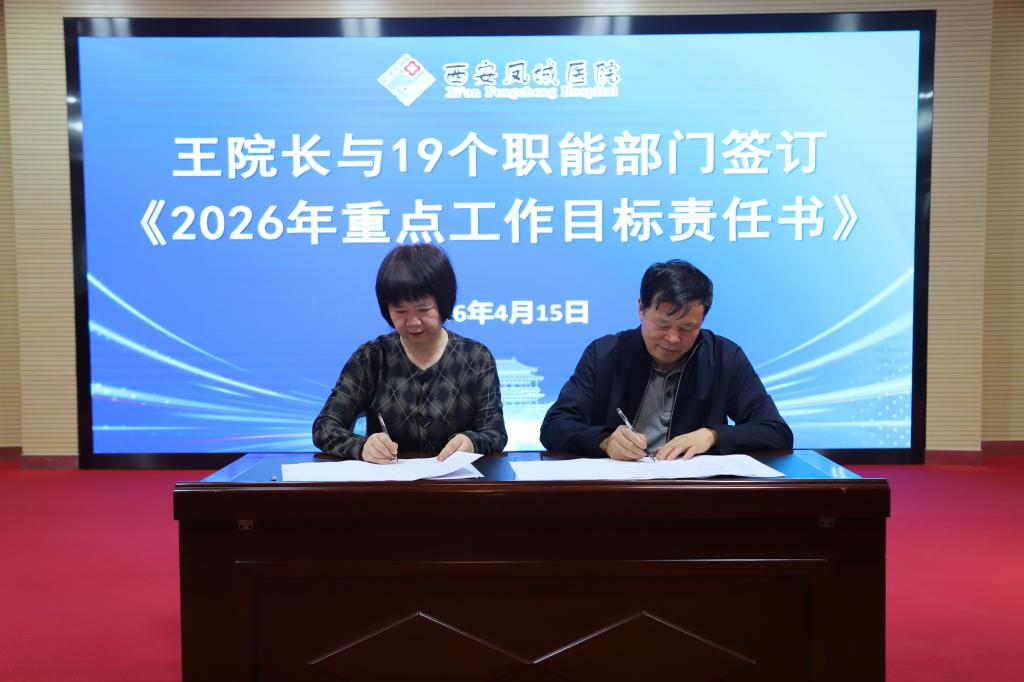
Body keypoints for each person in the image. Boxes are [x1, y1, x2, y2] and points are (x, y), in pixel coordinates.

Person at [540, 260, 792, 461]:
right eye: (663, 325)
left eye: (687, 328)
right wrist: (604, 440)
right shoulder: (605, 354)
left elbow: (776, 431)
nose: (673, 338)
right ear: (641, 309)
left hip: (695, 494)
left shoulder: (724, 357)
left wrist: (712, 435)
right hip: (616, 493)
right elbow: (554, 426)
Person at [313, 244, 507, 463]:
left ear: (444, 304)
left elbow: (496, 434)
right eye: (400, 311)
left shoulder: (476, 358)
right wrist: (362, 446)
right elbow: (324, 427)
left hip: (457, 481)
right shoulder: (371, 358)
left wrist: (472, 442)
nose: (413, 322)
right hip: (388, 481)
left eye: (424, 310)